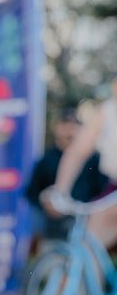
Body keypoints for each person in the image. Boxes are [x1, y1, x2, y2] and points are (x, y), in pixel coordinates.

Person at [50, 77, 117, 249]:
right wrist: (60, 191)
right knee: (88, 246)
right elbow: (77, 152)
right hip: (113, 189)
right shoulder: (107, 112)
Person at [25, 108, 105, 242]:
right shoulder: (46, 160)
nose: (70, 130)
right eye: (66, 125)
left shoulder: (94, 159)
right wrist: (45, 202)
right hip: (52, 230)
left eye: (75, 125)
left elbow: (103, 189)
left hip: (87, 226)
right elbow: (32, 192)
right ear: (57, 128)